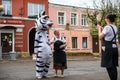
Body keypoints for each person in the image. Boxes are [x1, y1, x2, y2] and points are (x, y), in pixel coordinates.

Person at [97, 13, 119, 80]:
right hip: (114, 48)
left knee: (108, 66)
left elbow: (100, 37)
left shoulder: (107, 27)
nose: (105, 19)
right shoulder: (115, 27)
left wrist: (99, 29)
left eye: (106, 18)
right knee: (113, 66)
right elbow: (110, 34)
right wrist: (102, 29)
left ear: (108, 19)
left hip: (108, 48)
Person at [34, 11, 53, 80]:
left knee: (47, 63)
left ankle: (45, 74)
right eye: (45, 19)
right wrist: (36, 51)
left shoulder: (46, 33)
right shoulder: (38, 33)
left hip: (48, 52)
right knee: (40, 62)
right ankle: (38, 74)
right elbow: (36, 42)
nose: (48, 21)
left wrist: (50, 46)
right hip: (41, 51)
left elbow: (48, 41)